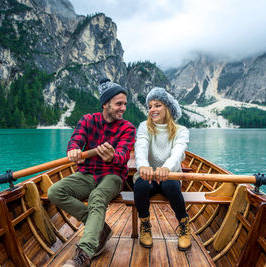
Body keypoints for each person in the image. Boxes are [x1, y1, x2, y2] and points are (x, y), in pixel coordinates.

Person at [48, 78, 136, 267]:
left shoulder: (128, 128)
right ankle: (100, 228)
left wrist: (112, 157)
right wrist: (73, 150)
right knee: (54, 192)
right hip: (87, 173)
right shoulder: (88, 120)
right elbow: (76, 140)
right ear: (105, 104)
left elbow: (122, 156)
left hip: (113, 176)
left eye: (125, 104)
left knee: (97, 197)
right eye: (118, 104)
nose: (123, 108)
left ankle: (84, 255)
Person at [133, 87, 191, 251]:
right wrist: (143, 165)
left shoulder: (181, 131)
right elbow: (141, 146)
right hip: (148, 174)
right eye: (150, 106)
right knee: (141, 185)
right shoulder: (144, 126)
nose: (152, 110)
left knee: (171, 185)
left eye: (157, 105)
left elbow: (178, 152)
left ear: (168, 108)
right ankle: (145, 224)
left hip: (169, 174)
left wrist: (166, 168)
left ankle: (184, 225)